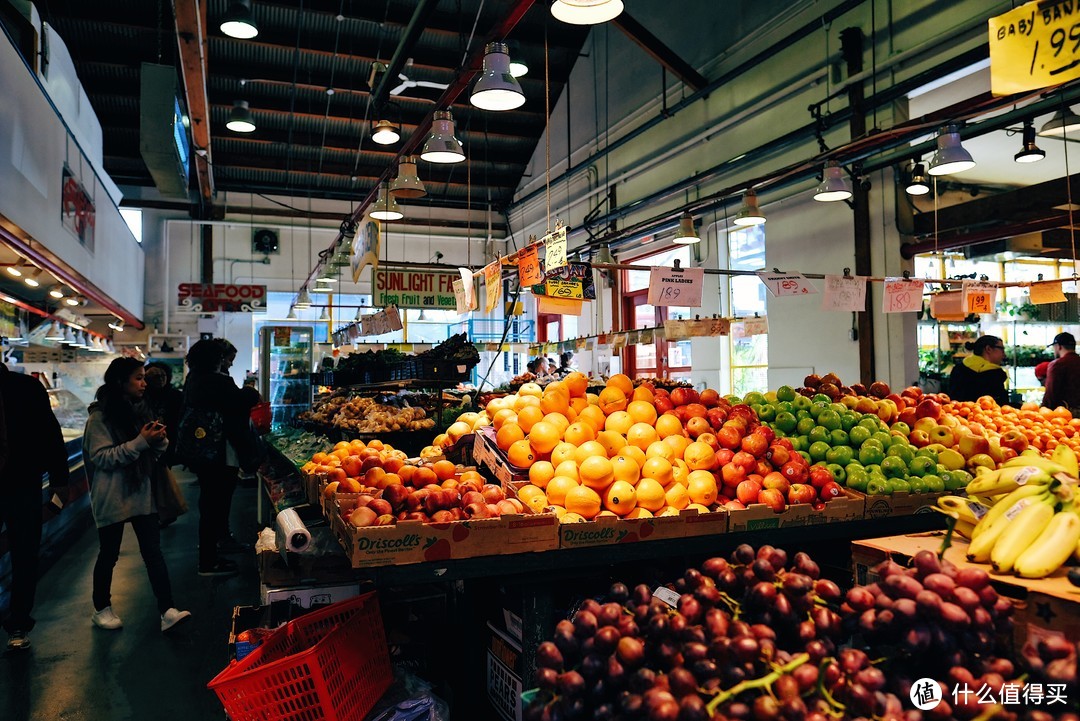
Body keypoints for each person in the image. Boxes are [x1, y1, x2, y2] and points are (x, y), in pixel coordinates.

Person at [84, 358, 190, 633]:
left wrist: (159, 441)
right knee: (109, 553)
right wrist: (141, 442)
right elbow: (101, 457)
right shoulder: (100, 417)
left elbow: (151, 455)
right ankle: (101, 608)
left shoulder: (142, 411)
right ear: (120, 382)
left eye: (143, 378)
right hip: (112, 495)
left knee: (153, 552)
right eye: (138, 378)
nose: (144, 383)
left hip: (142, 492)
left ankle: (167, 610)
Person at [0, 363, 67, 651]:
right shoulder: (26, 386)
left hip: (22, 483)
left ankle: (18, 623)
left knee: (25, 555)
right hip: (23, 485)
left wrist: (59, 482)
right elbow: (51, 433)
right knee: (25, 555)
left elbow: (50, 434)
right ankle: (18, 624)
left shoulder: (25, 387)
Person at [181, 339, 259, 575]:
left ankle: (218, 544)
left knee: (212, 503)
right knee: (214, 503)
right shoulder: (214, 381)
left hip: (205, 452)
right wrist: (249, 391)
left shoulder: (194, 379)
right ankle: (208, 561)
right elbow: (241, 402)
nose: (227, 364)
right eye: (224, 359)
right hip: (218, 453)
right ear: (215, 359)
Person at [948, 335, 1008, 405]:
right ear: (988, 349)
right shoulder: (995, 374)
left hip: (959, 412)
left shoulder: (959, 368)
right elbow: (1000, 404)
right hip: (986, 415)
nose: (1004, 355)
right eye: (1002, 349)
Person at [1043, 332, 1080, 412]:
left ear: (1058, 346)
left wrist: (1043, 410)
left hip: (1065, 415)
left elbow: (1050, 395)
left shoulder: (1057, 365)